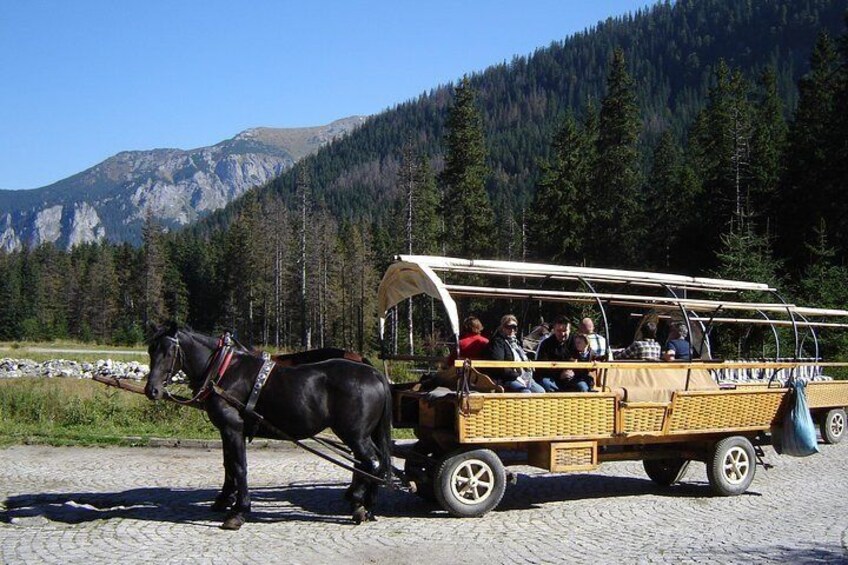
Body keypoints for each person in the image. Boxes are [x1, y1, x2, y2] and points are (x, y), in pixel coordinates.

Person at [485, 314, 545, 393]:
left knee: (541, 392)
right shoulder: (498, 342)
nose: (512, 329)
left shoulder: (517, 343)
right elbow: (499, 365)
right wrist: (515, 375)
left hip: (525, 377)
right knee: (525, 392)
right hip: (507, 379)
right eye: (509, 327)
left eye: (514, 327)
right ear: (503, 328)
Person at [535, 315, 573, 392]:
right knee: (545, 383)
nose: (562, 334)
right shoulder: (546, 344)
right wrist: (560, 374)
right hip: (551, 377)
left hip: (572, 376)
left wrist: (573, 371)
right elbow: (541, 367)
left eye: (565, 330)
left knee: (582, 385)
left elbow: (583, 357)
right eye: (559, 331)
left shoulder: (576, 342)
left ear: (570, 330)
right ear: (554, 330)